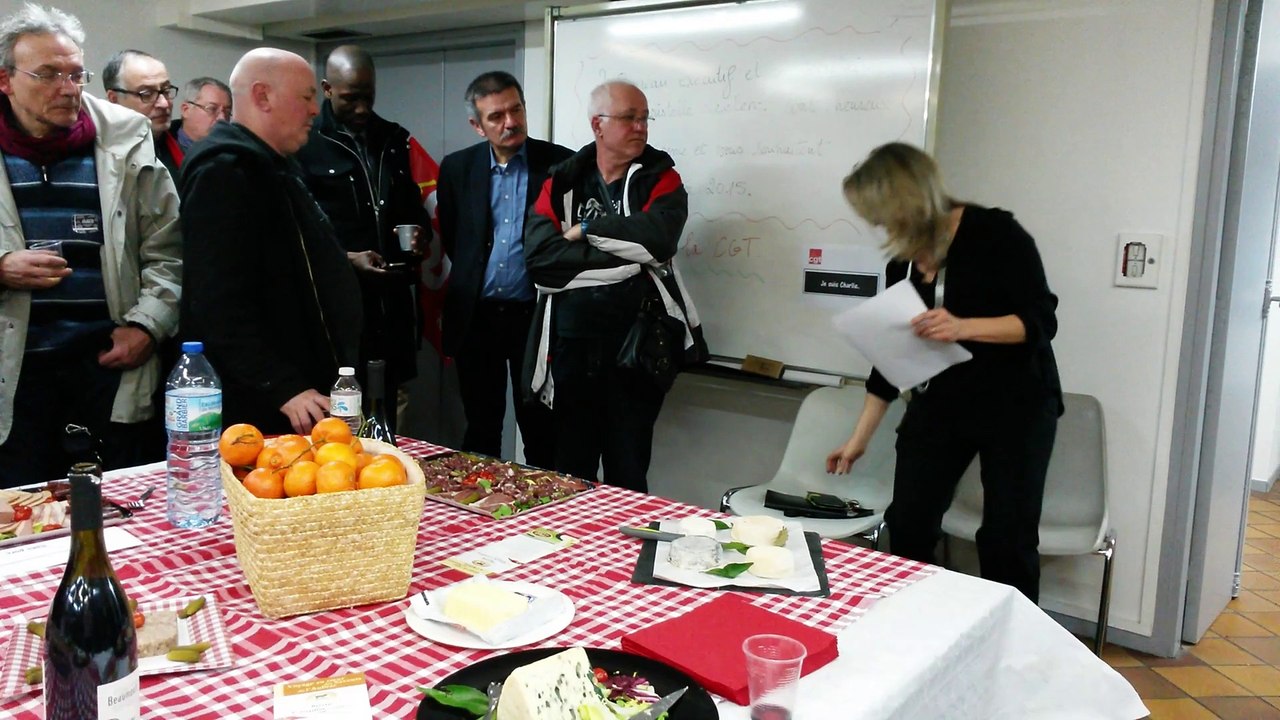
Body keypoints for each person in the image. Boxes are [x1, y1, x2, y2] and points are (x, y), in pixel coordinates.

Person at [826, 142, 1062, 602]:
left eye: (881, 212)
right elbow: (890, 356)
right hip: (943, 403)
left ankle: (1011, 648)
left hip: (1016, 405)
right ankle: (924, 627)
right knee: (909, 524)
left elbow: (1041, 321)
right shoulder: (903, 261)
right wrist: (858, 439)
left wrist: (962, 327)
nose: (878, 225)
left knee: (1006, 538)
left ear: (907, 199)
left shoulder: (995, 233)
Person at [0, 4, 181, 486]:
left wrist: (148, 325)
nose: (67, 87)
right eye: (48, 74)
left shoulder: (126, 135)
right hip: (13, 378)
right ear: (6, 81)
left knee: (119, 519)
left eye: (75, 73)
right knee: (23, 524)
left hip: (107, 365)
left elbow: (169, 250)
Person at [523, 80, 702, 493]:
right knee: (571, 470)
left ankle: (623, 556)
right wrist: (626, 260)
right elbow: (541, 264)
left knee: (627, 472)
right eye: (629, 118)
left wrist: (585, 229)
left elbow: (657, 242)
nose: (641, 127)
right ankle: (573, 556)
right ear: (597, 125)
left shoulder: (661, 178)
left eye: (644, 118)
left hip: (634, 351)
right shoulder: (563, 182)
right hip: (571, 348)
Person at [179, 47, 361, 436]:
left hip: (304, 391)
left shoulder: (275, 166)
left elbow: (286, 261)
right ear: (262, 96)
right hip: (264, 410)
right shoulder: (224, 171)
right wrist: (282, 386)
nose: (316, 110)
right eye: (307, 97)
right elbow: (217, 302)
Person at [438, 71, 572, 468]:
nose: (510, 122)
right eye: (496, 116)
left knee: (541, 427)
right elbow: (455, 240)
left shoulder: (560, 164)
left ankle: (543, 518)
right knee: (481, 428)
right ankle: (481, 513)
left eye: (516, 110)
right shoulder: (457, 168)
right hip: (477, 318)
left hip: (536, 319)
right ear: (477, 126)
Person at [295, 44, 423, 432]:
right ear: (327, 89)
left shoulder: (393, 139)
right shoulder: (306, 143)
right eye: (352, 98)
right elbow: (301, 230)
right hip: (339, 305)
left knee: (393, 401)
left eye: (369, 96)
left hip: (393, 301)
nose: (363, 108)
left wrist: (419, 231)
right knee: (343, 410)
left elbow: (411, 207)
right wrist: (348, 258)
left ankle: (390, 484)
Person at [101, 49, 178, 176]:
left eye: (166, 90)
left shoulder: (184, 152)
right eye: (147, 94)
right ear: (114, 99)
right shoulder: (98, 156)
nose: (164, 103)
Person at [164, 77, 230, 169]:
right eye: (212, 109)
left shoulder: (236, 156)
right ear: (186, 110)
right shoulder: (157, 151)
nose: (222, 119)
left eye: (227, 112)